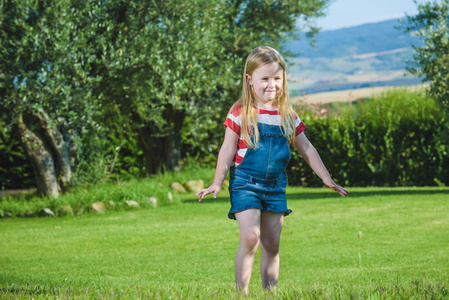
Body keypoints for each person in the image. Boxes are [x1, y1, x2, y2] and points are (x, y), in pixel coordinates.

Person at [195, 46, 349, 295]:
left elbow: (307, 148)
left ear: (283, 79)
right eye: (264, 78)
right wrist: (216, 182)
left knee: (272, 244)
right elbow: (226, 149)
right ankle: (241, 293)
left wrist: (326, 177)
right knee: (250, 238)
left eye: (277, 78)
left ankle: (270, 294)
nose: (271, 84)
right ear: (249, 79)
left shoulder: (288, 114)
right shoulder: (240, 112)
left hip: (275, 186)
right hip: (245, 183)